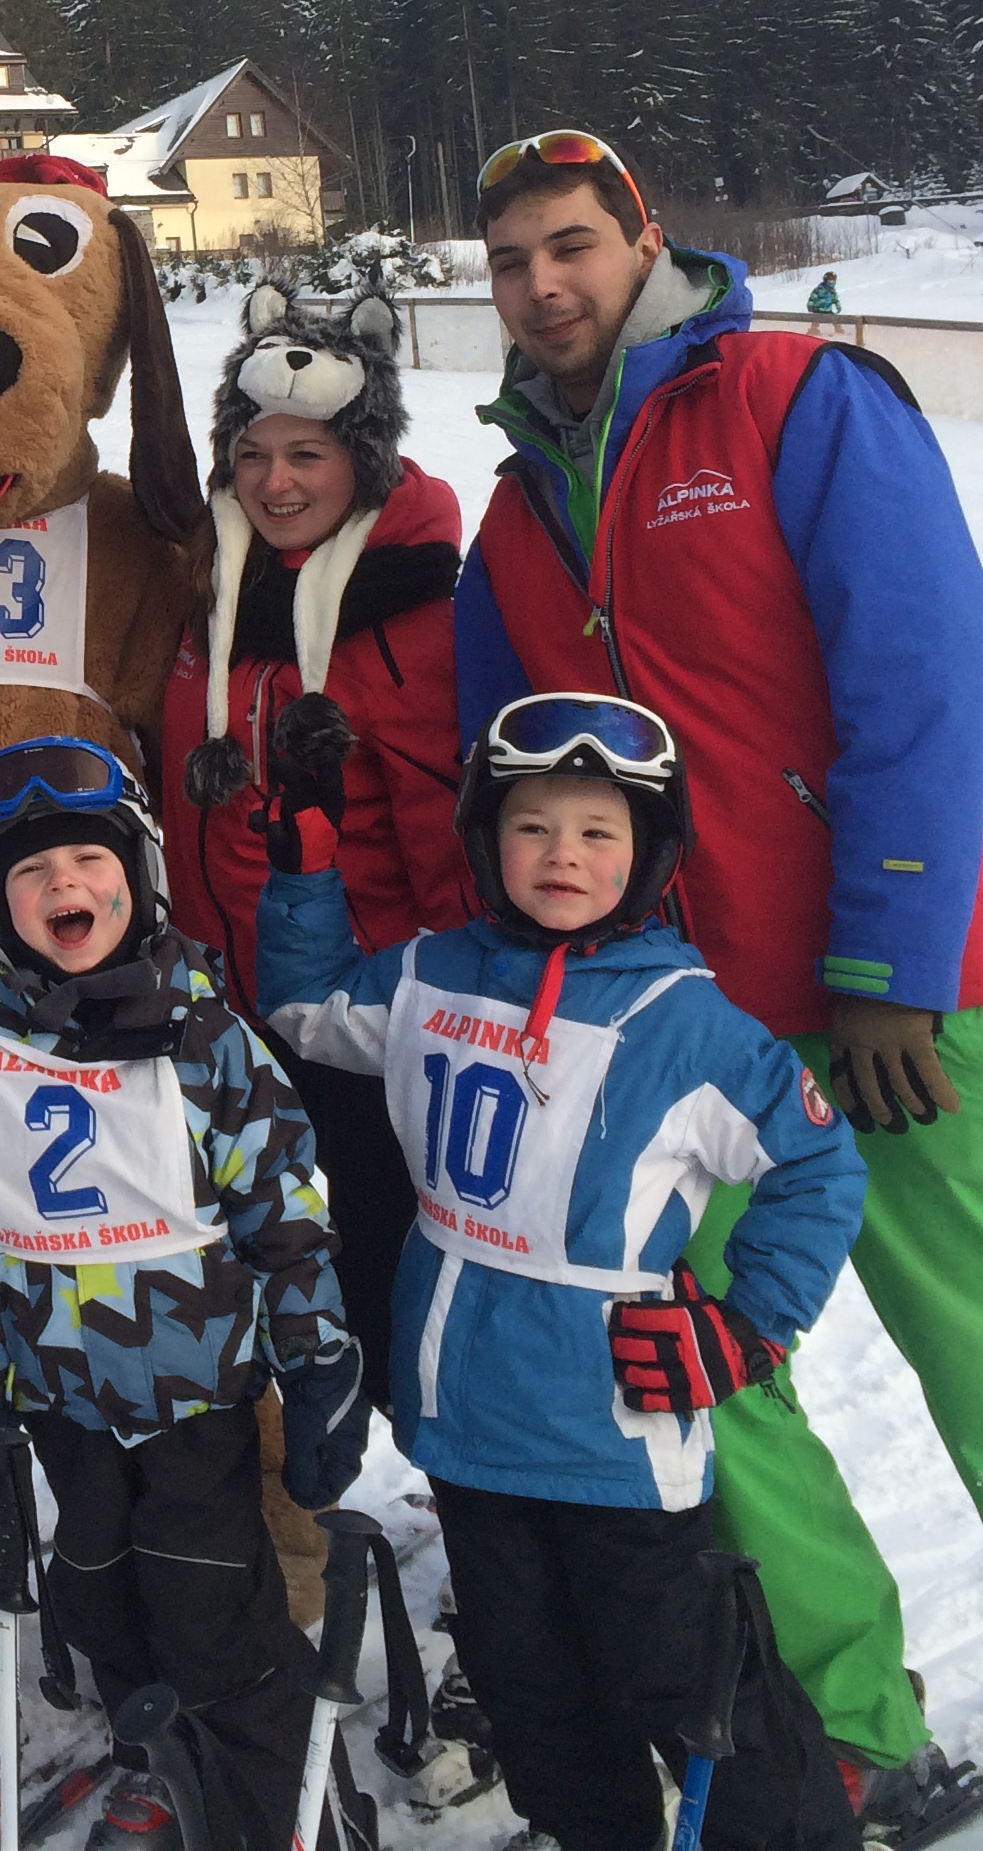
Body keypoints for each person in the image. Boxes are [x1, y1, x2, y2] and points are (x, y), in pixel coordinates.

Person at [455, 127, 983, 1820]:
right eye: (510, 262)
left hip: (889, 1000)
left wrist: (891, 955)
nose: (541, 285)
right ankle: (854, 1720)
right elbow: (493, 769)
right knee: (691, 1364)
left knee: (971, 1333)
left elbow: (925, 676)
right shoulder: (514, 505)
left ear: (644, 238)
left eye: (569, 245)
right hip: (685, 1030)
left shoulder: (793, 400)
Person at [257, 693, 863, 1849]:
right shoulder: (433, 973)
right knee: (531, 1688)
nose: (562, 855)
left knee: (686, 1680)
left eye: (597, 831)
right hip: (466, 1422)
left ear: (650, 854)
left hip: (613, 1435)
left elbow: (818, 1162)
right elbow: (310, 1008)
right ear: (486, 840)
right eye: (532, 826)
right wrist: (306, 869)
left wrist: (749, 1326)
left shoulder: (685, 1022)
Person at [0, 737, 372, 1850]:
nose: (62, 884)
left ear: (140, 876)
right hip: (62, 1403)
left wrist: (318, 1363)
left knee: (210, 1609)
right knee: (98, 1593)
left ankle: (287, 1802)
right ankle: (155, 1758)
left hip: (193, 1400)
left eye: (88, 859)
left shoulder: (207, 1043)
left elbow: (287, 1216)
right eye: (30, 872)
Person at [165, 279, 472, 1402]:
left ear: (366, 459)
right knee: (247, 1271)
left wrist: (452, 1013)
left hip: (363, 1019)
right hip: (223, 1014)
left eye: (309, 454)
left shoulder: (411, 614)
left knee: (388, 1275)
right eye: (252, 454)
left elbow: (446, 836)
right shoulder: (212, 594)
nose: (276, 482)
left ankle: (446, 1468)